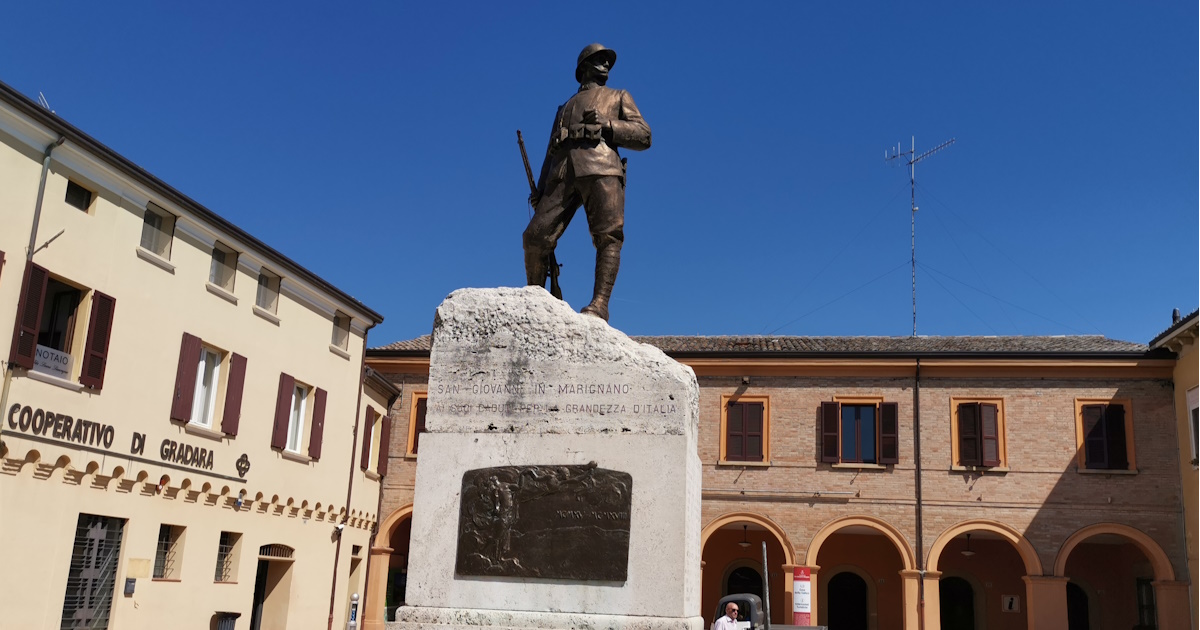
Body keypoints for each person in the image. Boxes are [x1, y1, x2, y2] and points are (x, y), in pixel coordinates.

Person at [523, 43, 652, 321]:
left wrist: (607, 125)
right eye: (599, 60)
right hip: (562, 173)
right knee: (534, 236)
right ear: (582, 68)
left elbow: (644, 135)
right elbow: (551, 150)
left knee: (608, 235)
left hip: (602, 166)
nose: (606, 65)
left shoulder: (618, 96)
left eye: (608, 61)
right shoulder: (565, 107)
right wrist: (542, 189)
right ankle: (534, 299)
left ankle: (600, 303)